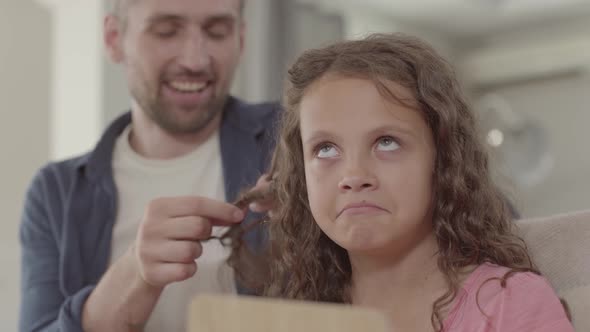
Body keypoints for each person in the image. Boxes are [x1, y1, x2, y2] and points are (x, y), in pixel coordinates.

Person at [243, 33, 573, 331]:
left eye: (386, 142)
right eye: (325, 149)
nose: (354, 176)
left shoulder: (509, 304)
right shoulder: (295, 317)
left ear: (443, 159)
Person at [18, 0, 277, 331]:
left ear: (241, 39)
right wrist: (134, 274)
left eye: (216, 32)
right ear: (114, 38)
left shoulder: (294, 141)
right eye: (166, 32)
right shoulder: (55, 194)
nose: (195, 60)